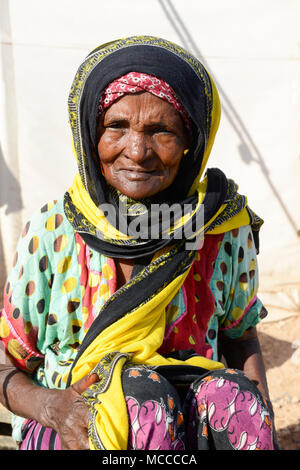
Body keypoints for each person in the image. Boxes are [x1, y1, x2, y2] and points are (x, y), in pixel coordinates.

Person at [0, 35, 276, 451]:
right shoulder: (53, 232)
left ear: (190, 142)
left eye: (161, 131)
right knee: (142, 400)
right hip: (75, 425)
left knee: (232, 398)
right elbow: (7, 358)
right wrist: (53, 407)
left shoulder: (220, 228)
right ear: (90, 135)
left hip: (191, 418)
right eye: (116, 127)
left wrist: (258, 408)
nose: (137, 151)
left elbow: (240, 335)